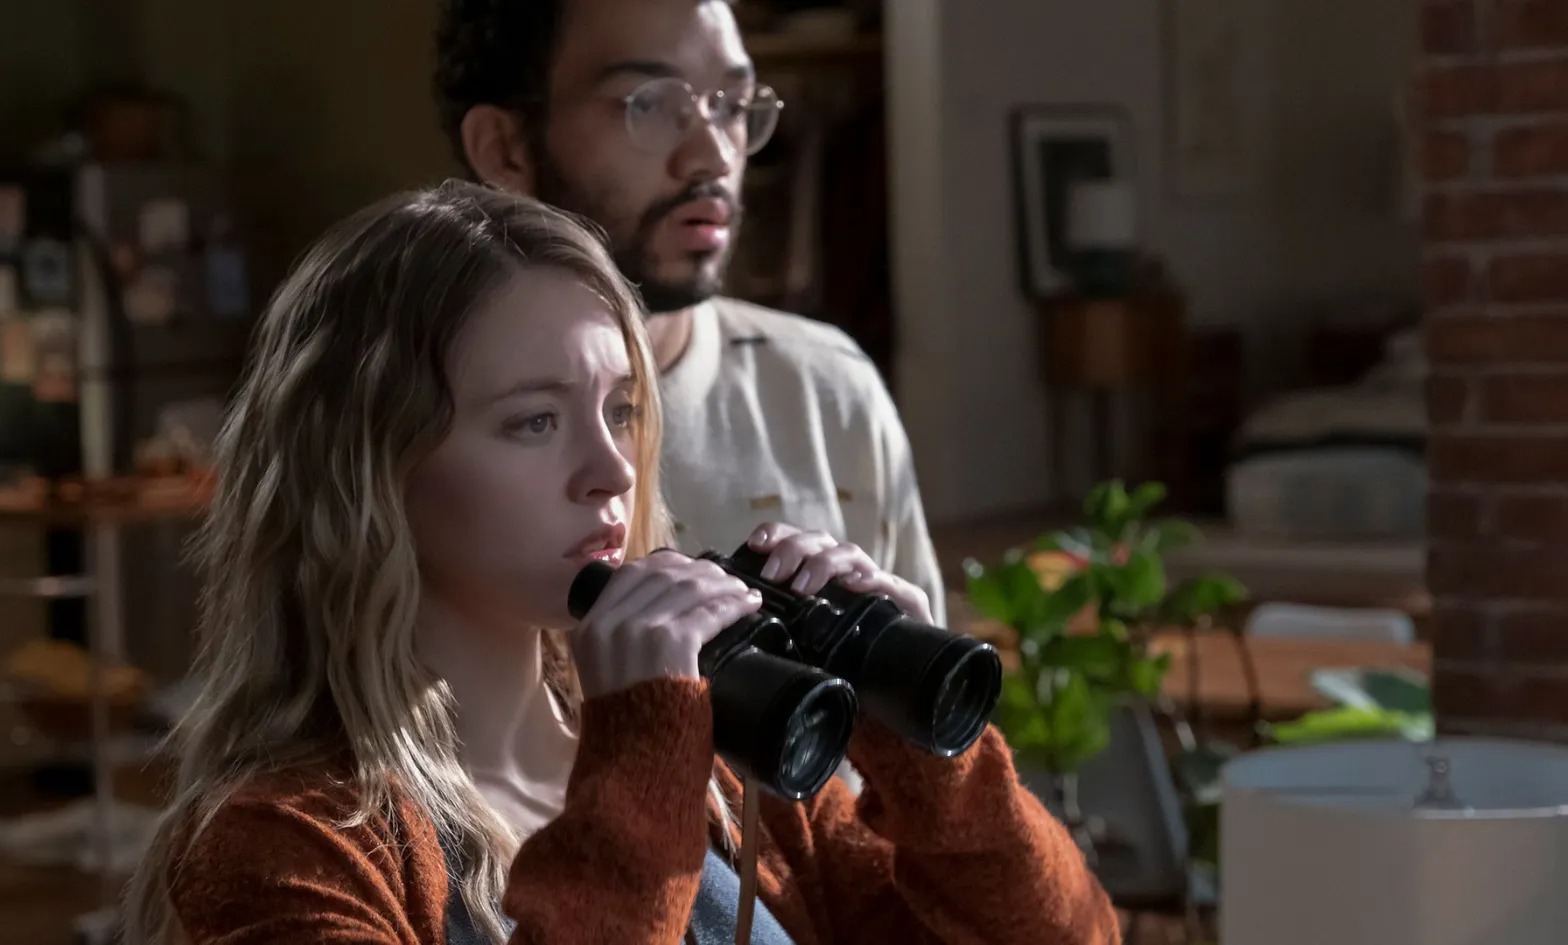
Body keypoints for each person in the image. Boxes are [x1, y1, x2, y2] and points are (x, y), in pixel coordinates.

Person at [119, 182, 1114, 944]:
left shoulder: (725, 761)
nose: (611, 470)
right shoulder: (282, 846)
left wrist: (929, 754)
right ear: (373, 470)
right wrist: (639, 766)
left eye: (622, 410)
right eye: (535, 421)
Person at [434, 0, 949, 626]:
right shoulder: (420, 418)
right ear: (505, 148)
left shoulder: (827, 390)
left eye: (732, 106)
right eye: (649, 104)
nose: (714, 157)